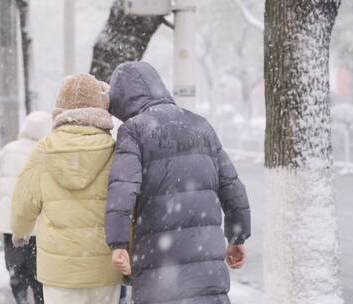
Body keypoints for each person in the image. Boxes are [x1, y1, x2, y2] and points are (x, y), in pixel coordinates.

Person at [104, 62, 251, 304]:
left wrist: (118, 244)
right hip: (207, 267)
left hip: (160, 268)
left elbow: (123, 189)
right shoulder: (201, 125)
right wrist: (238, 237)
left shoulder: (134, 130)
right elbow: (232, 186)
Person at [11, 74, 122, 304]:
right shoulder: (115, 151)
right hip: (103, 266)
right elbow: (126, 206)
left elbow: (24, 201)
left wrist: (20, 232)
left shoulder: (44, 150)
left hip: (59, 270)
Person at [0, 111, 52, 304]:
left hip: (11, 220)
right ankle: (38, 298)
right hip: (38, 220)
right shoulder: (47, 150)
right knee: (39, 269)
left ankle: (20, 296)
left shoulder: (10, 149)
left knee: (15, 264)